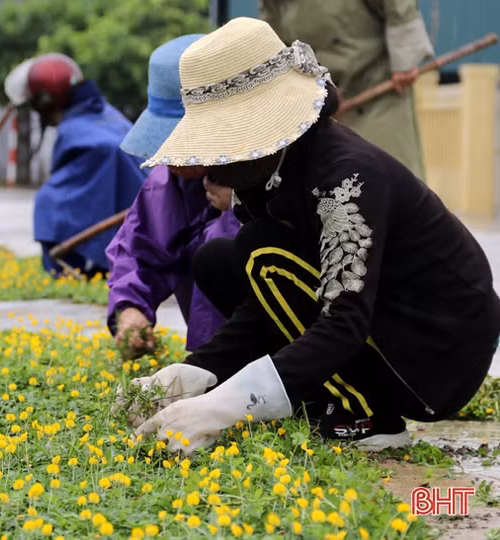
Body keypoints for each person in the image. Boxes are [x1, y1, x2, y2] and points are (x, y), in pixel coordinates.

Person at [127, 18, 499, 453]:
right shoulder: (269, 175)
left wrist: (226, 405)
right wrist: (198, 372)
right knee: (222, 260)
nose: (210, 167)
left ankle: (367, 415)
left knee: (257, 252)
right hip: (380, 328)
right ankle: (321, 395)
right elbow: (275, 300)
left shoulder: (346, 179)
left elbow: (343, 319)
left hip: (435, 355)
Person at [106, 34, 241, 357]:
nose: (170, 156)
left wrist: (238, 210)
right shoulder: (167, 181)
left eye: (183, 140)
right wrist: (129, 308)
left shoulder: (285, 172)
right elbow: (139, 250)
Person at [4, 54, 147, 278]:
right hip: (144, 215)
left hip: (135, 216)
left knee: (47, 203)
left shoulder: (74, 130)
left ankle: (68, 269)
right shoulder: (108, 113)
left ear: (45, 101)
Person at [259, 0, 434, 180]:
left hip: (374, 86)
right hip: (313, 97)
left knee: (386, 176)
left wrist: (405, 58)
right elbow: (271, 26)